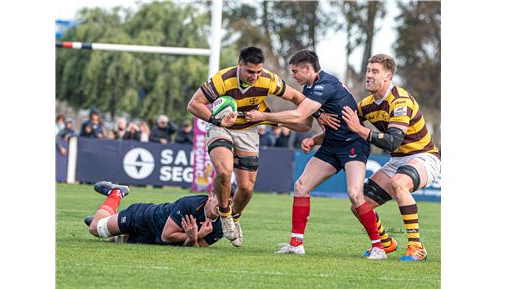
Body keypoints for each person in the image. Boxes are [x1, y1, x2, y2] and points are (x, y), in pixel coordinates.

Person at [245, 49, 385, 259]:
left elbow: (300, 115)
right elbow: (308, 123)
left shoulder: (325, 85)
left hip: (353, 145)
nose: (293, 76)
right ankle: (296, 244)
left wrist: (262, 116)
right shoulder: (311, 86)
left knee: (355, 194)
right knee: (301, 186)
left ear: (307, 69)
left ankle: (378, 247)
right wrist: (315, 138)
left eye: (295, 72)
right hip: (331, 145)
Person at [187, 46, 311, 247]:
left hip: (249, 130)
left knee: (246, 188)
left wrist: (315, 111)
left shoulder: (268, 80)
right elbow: (194, 104)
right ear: (240, 65)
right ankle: (225, 215)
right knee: (224, 171)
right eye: (250, 71)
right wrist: (216, 120)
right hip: (221, 127)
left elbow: (298, 98)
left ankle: (235, 217)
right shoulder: (222, 79)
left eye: (258, 72)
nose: (255, 76)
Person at [322, 53, 441, 261]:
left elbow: (393, 141)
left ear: (388, 77)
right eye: (368, 71)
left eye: (375, 71)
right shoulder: (367, 104)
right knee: (359, 204)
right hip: (398, 160)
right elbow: (345, 127)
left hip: (424, 156)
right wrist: (314, 139)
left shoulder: (400, 101)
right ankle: (386, 243)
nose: (369, 75)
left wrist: (360, 130)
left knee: (399, 183)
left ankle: (416, 246)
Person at [84, 181, 224, 247]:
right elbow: (167, 235)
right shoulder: (190, 204)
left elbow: (190, 248)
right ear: (211, 195)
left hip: (153, 239)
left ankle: (106, 219)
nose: (223, 205)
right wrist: (198, 235)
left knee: (117, 241)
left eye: (228, 203)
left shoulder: (221, 227)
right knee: (96, 229)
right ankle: (117, 193)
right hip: (143, 217)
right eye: (221, 199)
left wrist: (193, 238)